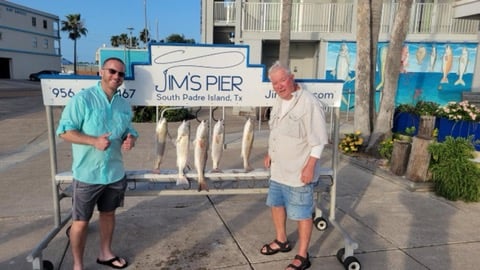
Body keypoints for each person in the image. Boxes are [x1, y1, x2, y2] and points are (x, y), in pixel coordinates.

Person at [56, 57, 138, 270]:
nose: (116, 77)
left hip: (114, 173)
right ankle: (77, 265)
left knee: (108, 214)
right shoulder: (83, 99)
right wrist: (93, 141)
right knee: (81, 222)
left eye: (121, 74)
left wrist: (131, 137)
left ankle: (105, 253)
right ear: (101, 72)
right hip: (87, 175)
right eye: (112, 71)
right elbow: (64, 131)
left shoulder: (123, 104)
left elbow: (129, 128)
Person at [260, 60, 328, 270]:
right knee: (276, 205)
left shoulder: (309, 103)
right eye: (274, 83)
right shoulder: (280, 101)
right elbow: (277, 130)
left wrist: (310, 167)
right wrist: (270, 153)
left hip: (299, 171)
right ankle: (282, 240)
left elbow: (318, 140)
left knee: (301, 213)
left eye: (282, 80)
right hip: (278, 170)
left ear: (292, 78)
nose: (279, 86)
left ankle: (302, 255)